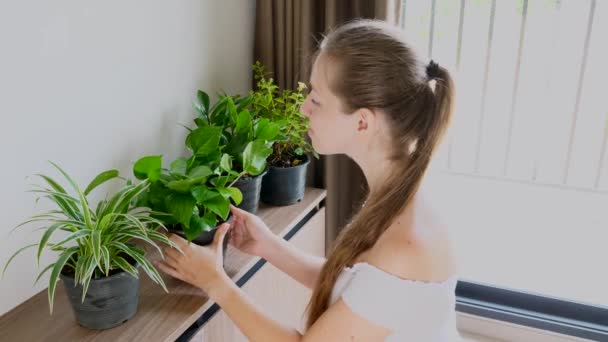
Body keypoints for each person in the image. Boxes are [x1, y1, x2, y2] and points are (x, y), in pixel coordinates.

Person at [156, 19, 461, 341]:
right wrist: (270, 246)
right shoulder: (402, 193)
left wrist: (214, 282)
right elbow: (358, 289)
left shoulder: (404, 247)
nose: (303, 108)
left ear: (362, 122)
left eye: (316, 100)